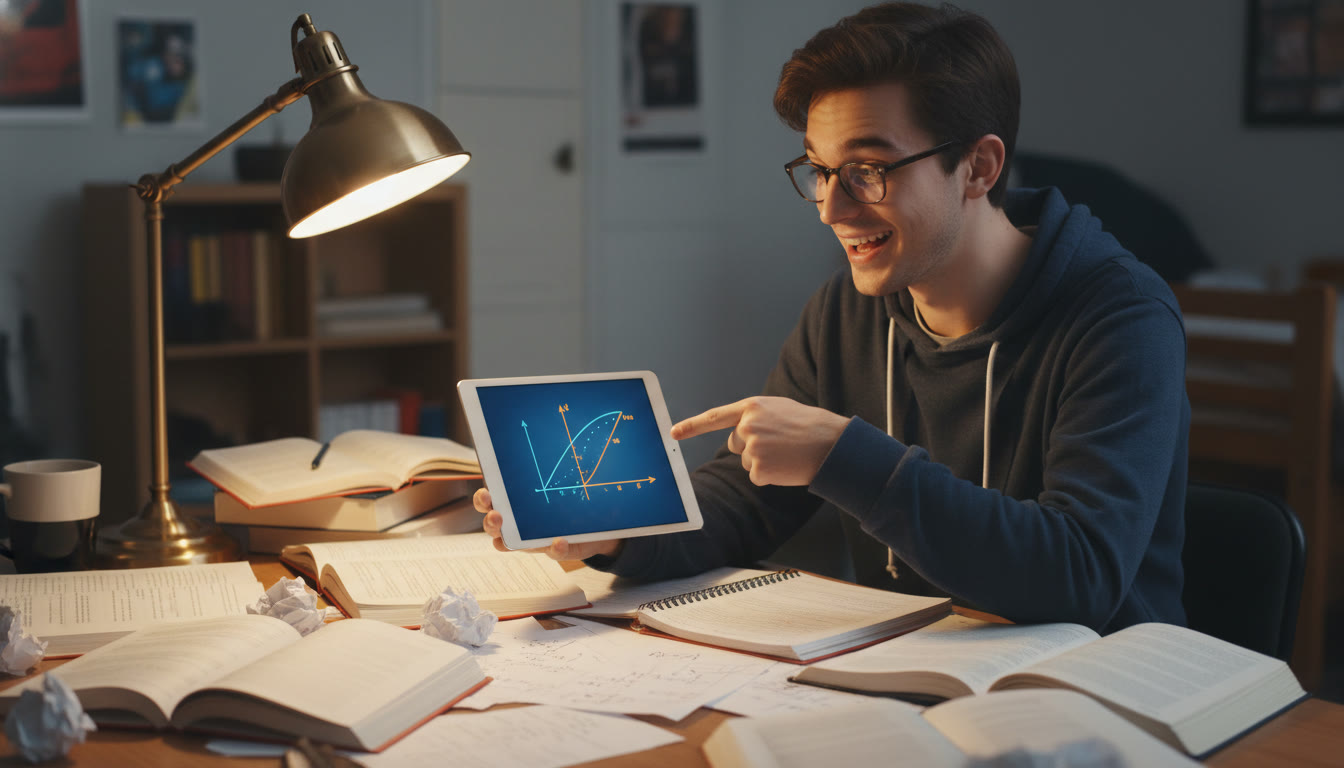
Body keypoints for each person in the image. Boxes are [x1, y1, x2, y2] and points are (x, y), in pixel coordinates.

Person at [476, 1, 1188, 633]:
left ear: (979, 168)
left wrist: (843, 457)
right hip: (905, 675)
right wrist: (616, 532)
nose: (832, 207)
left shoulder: (1120, 317)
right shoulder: (848, 311)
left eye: (868, 170)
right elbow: (745, 505)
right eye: (819, 169)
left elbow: (1081, 576)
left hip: (1095, 698)